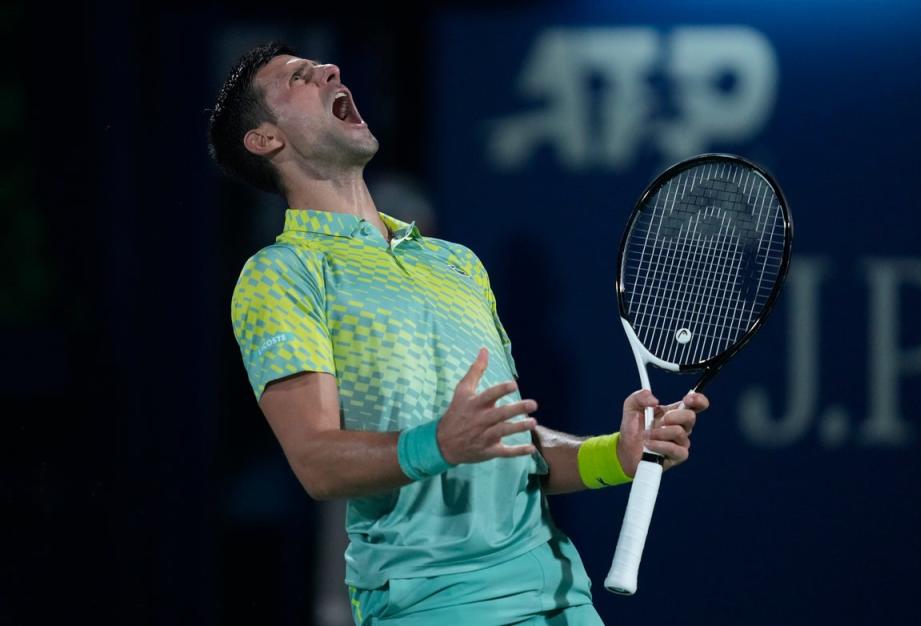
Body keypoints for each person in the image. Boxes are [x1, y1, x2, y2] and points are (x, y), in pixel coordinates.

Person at [207, 42, 709, 626]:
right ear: (266, 139)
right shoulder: (283, 273)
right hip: (433, 606)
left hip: (559, 599)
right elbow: (317, 462)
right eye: (298, 77)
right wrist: (439, 444)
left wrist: (613, 456)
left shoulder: (456, 264)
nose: (330, 70)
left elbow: (507, 443)